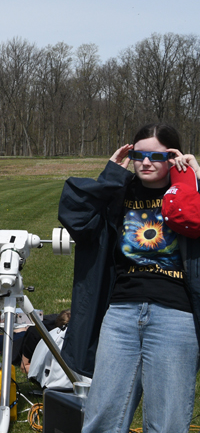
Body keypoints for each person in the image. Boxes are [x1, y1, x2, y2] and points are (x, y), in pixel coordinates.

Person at [59, 123, 200, 433]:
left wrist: (194, 179)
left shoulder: (187, 195)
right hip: (120, 313)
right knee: (103, 418)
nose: (145, 162)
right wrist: (110, 175)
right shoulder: (119, 193)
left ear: (173, 156)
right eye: (138, 154)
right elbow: (77, 217)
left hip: (175, 315)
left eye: (155, 156)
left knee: (167, 424)